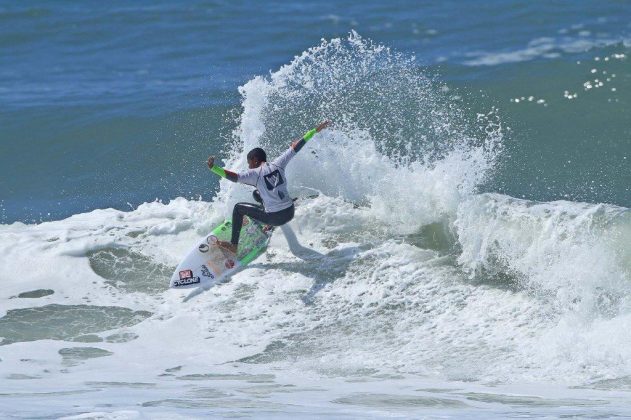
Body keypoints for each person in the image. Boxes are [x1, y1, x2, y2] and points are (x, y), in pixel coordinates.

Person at [207, 120, 331, 254]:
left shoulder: (254, 174)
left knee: (238, 208)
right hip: (289, 212)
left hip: (274, 217)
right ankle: (268, 223)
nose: (249, 167)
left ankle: (234, 245)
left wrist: (214, 168)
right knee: (257, 194)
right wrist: (315, 130)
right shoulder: (279, 163)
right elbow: (297, 146)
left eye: (249, 163)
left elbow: (234, 177)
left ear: (255, 160)